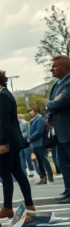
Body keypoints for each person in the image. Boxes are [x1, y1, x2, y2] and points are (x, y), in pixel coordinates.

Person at [0, 69, 35, 219]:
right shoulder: (0, 95)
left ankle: (7, 208)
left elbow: (4, 121)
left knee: (5, 173)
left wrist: (1, 142)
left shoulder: (3, 96)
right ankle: (29, 205)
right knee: (18, 173)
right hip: (10, 141)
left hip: (7, 142)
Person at [46, 55, 70, 204]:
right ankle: (68, 192)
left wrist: (50, 105)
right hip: (60, 132)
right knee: (63, 164)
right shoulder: (56, 85)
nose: (51, 69)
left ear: (64, 67)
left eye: (54, 66)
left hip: (68, 130)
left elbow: (60, 103)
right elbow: (52, 103)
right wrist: (49, 112)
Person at [28, 107, 53, 185]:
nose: (30, 113)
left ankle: (50, 178)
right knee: (39, 161)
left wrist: (30, 139)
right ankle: (43, 177)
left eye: (31, 111)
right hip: (36, 143)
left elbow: (39, 131)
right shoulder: (34, 119)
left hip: (40, 143)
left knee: (44, 160)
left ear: (36, 111)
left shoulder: (39, 119)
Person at [17, 114, 35, 179]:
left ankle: (31, 171)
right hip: (19, 143)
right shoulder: (17, 124)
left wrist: (20, 136)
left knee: (28, 157)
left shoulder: (25, 123)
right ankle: (24, 172)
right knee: (21, 157)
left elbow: (28, 132)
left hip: (26, 142)